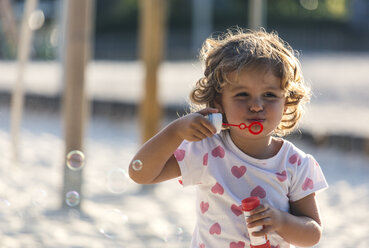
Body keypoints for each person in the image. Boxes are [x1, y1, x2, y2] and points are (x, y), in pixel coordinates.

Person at [129, 28, 328, 248]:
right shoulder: (206, 150)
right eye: (242, 95)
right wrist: (175, 131)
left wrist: (282, 221)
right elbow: (140, 173)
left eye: (270, 95)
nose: (256, 105)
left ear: (287, 102)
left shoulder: (295, 164)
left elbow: (312, 234)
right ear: (218, 101)